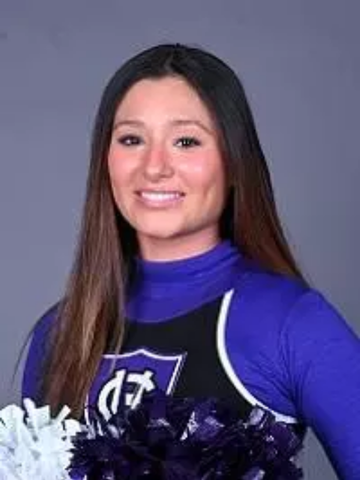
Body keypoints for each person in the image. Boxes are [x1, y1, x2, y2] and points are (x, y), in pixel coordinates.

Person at [22, 43, 360, 478]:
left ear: (234, 162)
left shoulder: (290, 322)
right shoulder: (60, 332)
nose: (155, 167)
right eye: (131, 139)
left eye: (186, 141)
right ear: (104, 160)